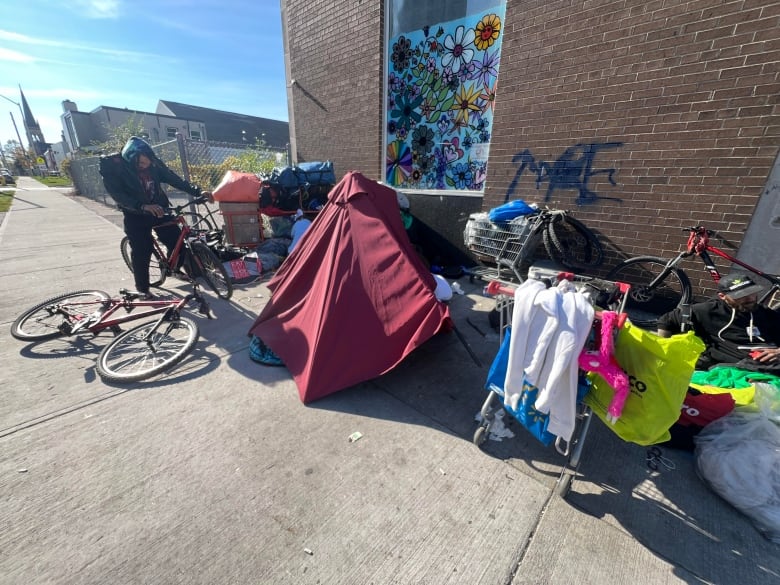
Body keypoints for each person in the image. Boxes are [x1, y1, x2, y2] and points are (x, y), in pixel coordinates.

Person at [100, 137, 212, 298]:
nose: (145, 167)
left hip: (160, 210)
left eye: (147, 163)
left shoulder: (153, 163)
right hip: (136, 214)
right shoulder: (115, 167)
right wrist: (142, 206)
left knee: (178, 242)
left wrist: (197, 191)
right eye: (141, 165)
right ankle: (143, 288)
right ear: (131, 160)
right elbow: (118, 195)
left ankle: (171, 268)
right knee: (141, 250)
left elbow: (173, 179)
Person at [657, 273, 780, 372]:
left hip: (773, 360)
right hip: (745, 365)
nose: (750, 299)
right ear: (722, 296)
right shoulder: (708, 311)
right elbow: (667, 320)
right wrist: (663, 354)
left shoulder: (764, 313)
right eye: (741, 295)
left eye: (752, 292)